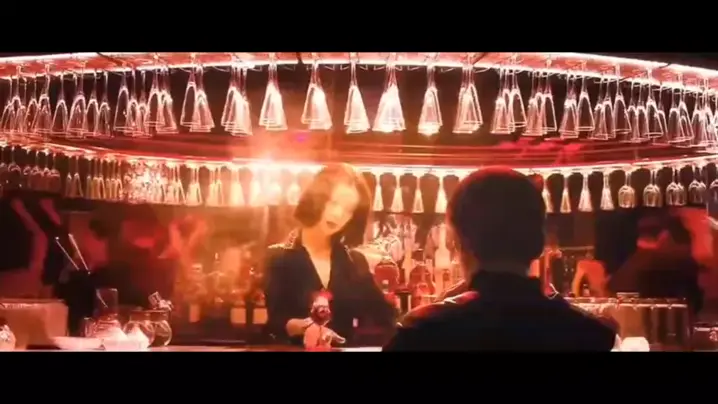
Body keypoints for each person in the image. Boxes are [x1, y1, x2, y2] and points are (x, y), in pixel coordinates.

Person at [383, 167, 616, 351]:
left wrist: (438, 308)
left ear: (458, 242)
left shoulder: (422, 334)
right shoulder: (591, 334)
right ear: (539, 243)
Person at [263, 163, 396, 347]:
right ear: (316, 199)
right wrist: (306, 328)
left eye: (349, 210)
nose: (338, 214)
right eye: (334, 203)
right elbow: (276, 320)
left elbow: (385, 315)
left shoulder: (354, 262)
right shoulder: (278, 257)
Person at [581, 212, 705, 315]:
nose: (690, 250)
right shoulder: (674, 265)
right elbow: (696, 304)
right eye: (687, 241)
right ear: (665, 237)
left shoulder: (632, 266)